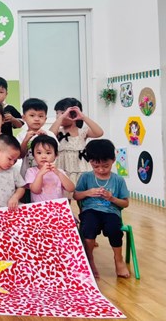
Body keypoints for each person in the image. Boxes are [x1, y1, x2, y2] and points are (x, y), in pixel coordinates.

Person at [74, 139, 130, 279]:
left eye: (105, 166)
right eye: (96, 166)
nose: (101, 169)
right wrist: (88, 192)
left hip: (111, 212)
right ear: (90, 162)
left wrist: (112, 198)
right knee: (88, 228)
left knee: (114, 229)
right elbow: (76, 195)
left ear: (113, 160)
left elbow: (125, 203)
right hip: (90, 211)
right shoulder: (86, 177)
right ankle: (89, 260)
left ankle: (118, 260)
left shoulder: (118, 180)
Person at [49, 97, 104, 187]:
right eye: (57, 113)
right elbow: (50, 135)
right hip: (63, 168)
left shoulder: (82, 131)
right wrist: (61, 117)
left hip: (81, 168)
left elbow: (99, 132)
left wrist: (83, 117)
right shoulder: (58, 132)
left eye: (62, 113)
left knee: (82, 190)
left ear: (74, 114)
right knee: (65, 191)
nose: (58, 116)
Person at [25, 135, 75, 202]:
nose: (43, 156)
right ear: (33, 155)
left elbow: (71, 189)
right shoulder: (31, 171)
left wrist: (58, 173)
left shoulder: (59, 172)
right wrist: (40, 174)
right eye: (39, 153)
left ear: (56, 155)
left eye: (48, 153)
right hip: (40, 207)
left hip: (57, 206)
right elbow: (35, 190)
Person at [16, 98, 58, 178]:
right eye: (32, 115)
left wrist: (46, 139)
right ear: (24, 118)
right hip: (27, 176)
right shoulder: (21, 135)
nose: (37, 119)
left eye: (40, 116)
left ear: (45, 119)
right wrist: (26, 140)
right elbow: (19, 155)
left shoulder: (50, 134)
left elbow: (56, 154)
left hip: (48, 175)